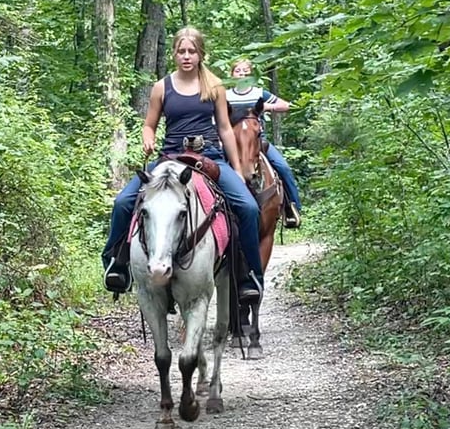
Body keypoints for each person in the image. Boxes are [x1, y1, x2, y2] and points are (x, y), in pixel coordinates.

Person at [102, 27, 265, 301]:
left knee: (248, 207)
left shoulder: (214, 85)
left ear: (201, 54)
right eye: (181, 51)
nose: (187, 56)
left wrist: (236, 167)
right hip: (170, 157)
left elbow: (225, 128)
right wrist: (148, 139)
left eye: (192, 51)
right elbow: (149, 125)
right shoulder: (161, 87)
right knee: (122, 202)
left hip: (210, 156)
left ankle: (249, 275)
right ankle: (116, 264)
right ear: (175, 54)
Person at [226, 59, 302, 228]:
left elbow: (286, 105)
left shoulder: (260, 93)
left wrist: (266, 106)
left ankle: (292, 208)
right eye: (238, 71)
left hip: (258, 142)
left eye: (246, 71)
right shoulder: (226, 96)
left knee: (282, 167)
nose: (242, 74)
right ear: (232, 74)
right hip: (233, 144)